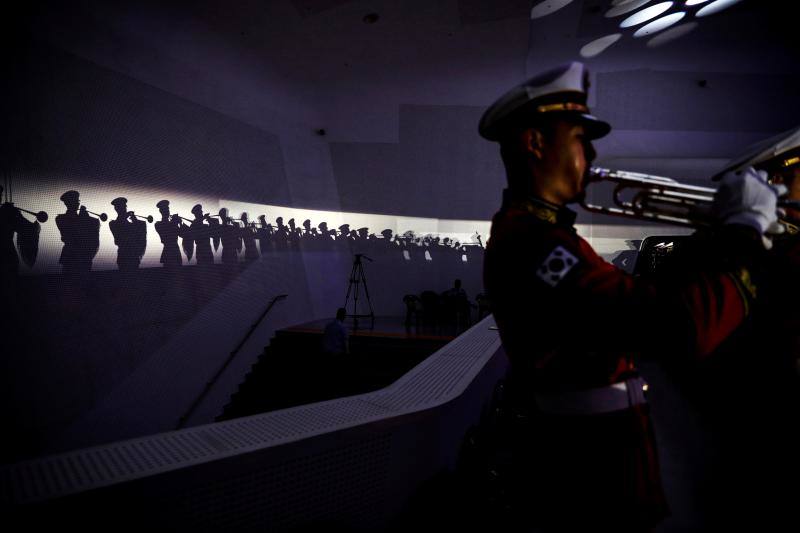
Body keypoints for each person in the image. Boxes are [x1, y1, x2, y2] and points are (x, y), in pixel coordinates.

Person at [479, 62, 783, 531]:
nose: (593, 150)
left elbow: (646, 303)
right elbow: (674, 327)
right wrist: (742, 234)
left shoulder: (544, 236)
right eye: (580, 136)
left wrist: (724, 238)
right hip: (590, 471)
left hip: (600, 457)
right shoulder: (535, 244)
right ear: (535, 142)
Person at [55, 190, 100, 275]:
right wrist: (84, 219)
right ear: (67, 203)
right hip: (70, 258)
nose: (78, 203)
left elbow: (91, 232)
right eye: (75, 201)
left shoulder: (84, 218)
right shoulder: (60, 219)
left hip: (84, 258)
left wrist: (86, 218)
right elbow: (72, 233)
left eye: (78, 201)